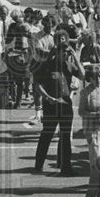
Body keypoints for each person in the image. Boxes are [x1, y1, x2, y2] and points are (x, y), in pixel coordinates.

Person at [33, 28, 83, 176]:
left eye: (67, 52)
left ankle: (65, 167)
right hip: (51, 105)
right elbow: (37, 85)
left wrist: (75, 57)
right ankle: (38, 165)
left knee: (66, 136)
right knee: (47, 134)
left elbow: (82, 75)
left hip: (65, 104)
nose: (66, 55)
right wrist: (48, 97)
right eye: (64, 52)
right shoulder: (46, 64)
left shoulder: (68, 65)